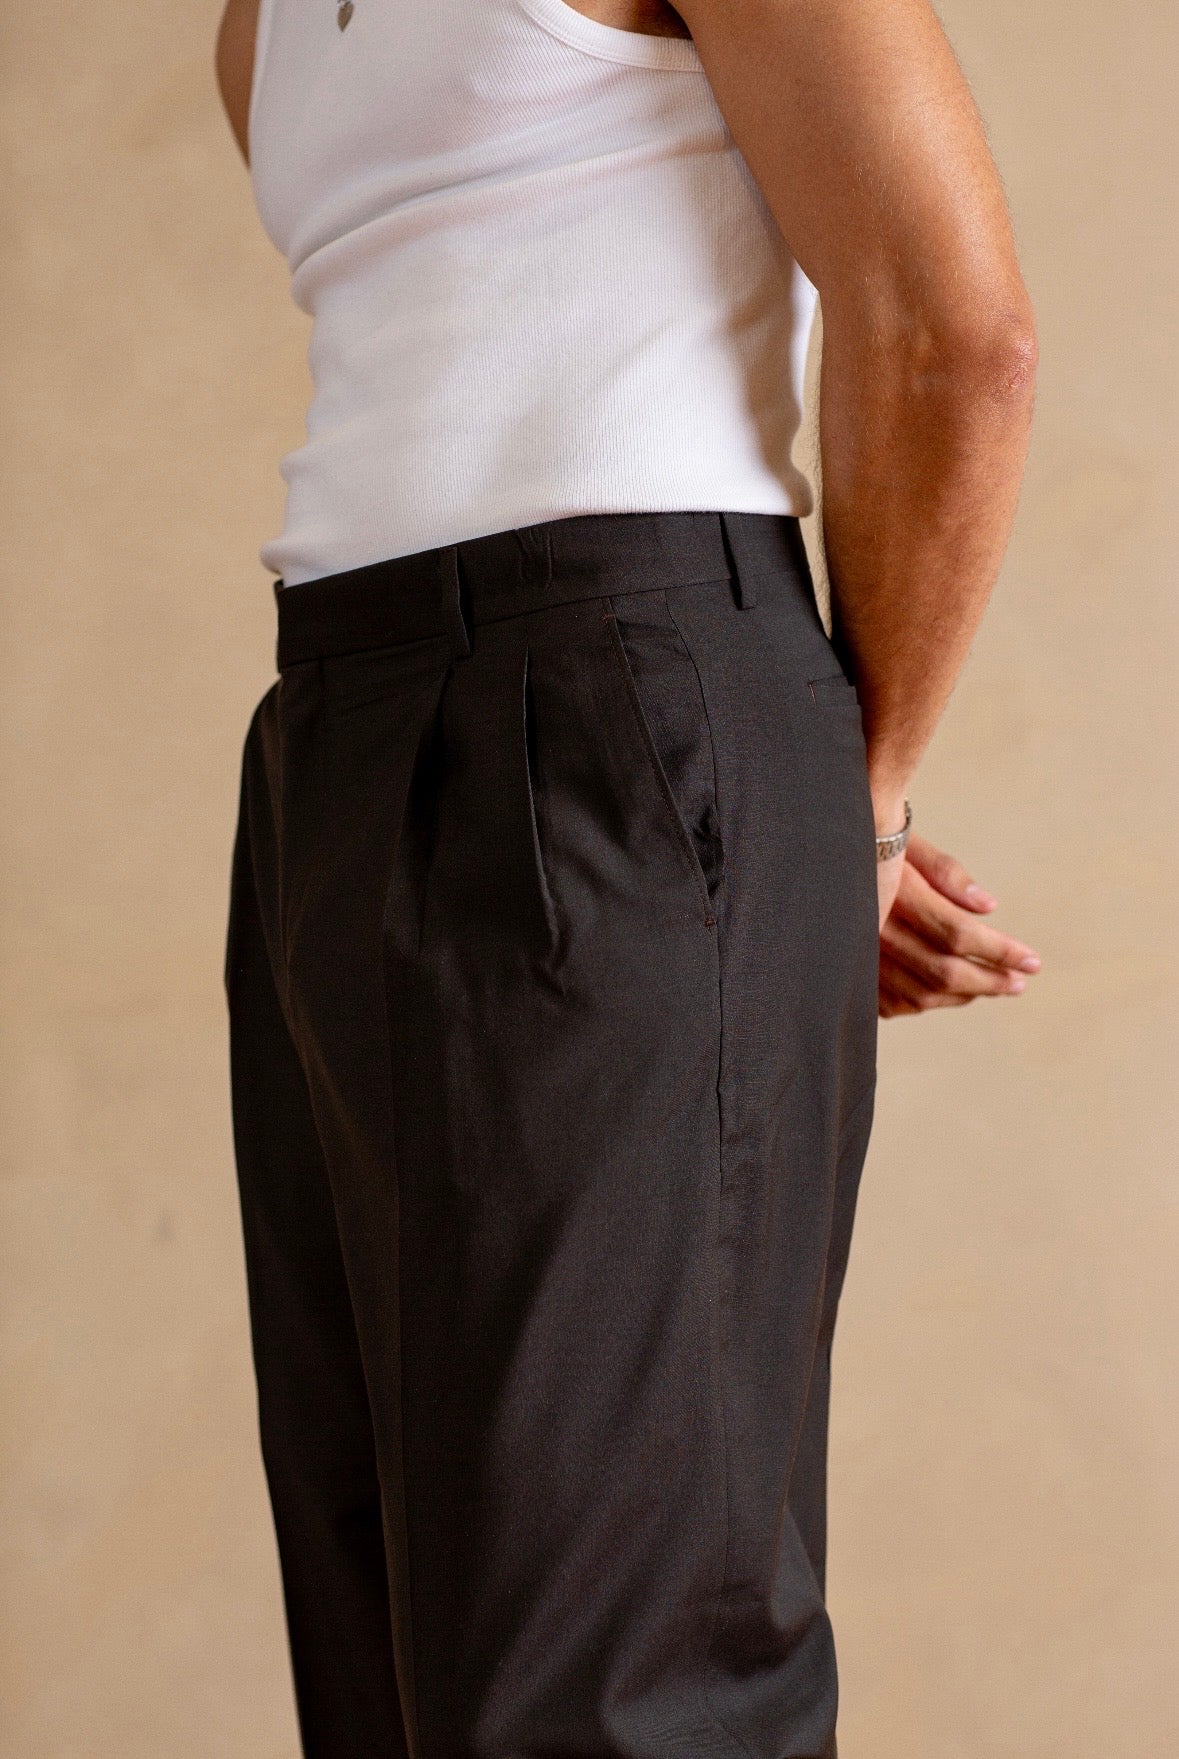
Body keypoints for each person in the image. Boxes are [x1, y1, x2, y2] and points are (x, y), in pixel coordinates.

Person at [214, 0, 1039, 1753]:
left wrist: (849, 816)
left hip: (618, 687)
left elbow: (955, 333)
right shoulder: (261, 25)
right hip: (335, 742)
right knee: (401, 1650)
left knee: (617, 1678)